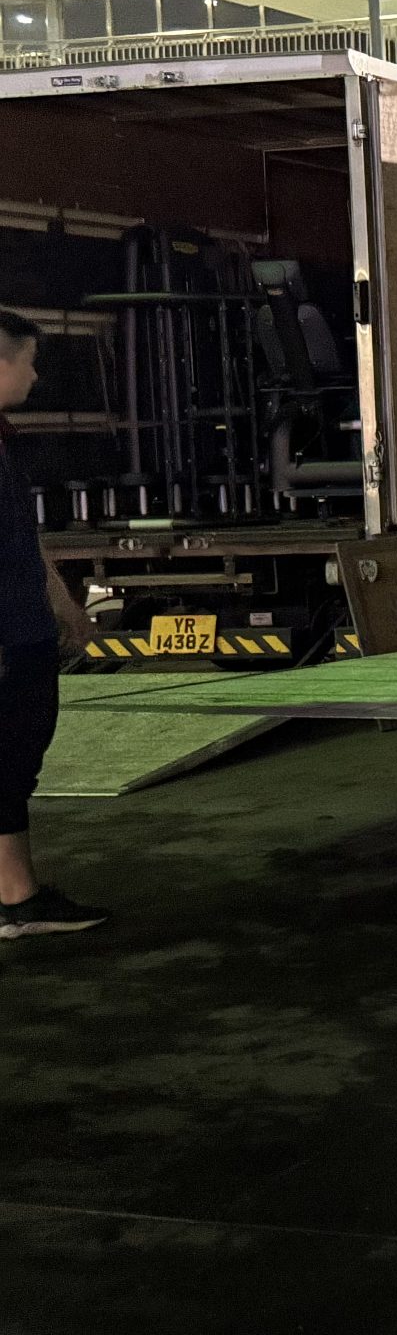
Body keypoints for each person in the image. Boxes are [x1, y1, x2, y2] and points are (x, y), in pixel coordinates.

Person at [0, 311, 107, 942]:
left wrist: (63, 604)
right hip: (10, 637)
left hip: (26, 626)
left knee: (16, 759)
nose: (36, 375)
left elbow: (22, 537)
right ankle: (18, 902)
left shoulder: (4, 438)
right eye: (29, 361)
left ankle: (16, 897)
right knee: (10, 761)